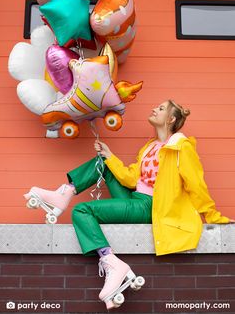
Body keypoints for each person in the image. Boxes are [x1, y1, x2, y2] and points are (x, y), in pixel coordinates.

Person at [24, 99, 234, 309]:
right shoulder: (149, 147)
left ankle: (111, 262)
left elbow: (196, 184)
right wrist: (109, 155)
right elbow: (131, 180)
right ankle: (65, 193)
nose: (154, 108)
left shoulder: (181, 147)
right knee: (102, 162)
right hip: (135, 199)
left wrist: (212, 215)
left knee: (82, 210)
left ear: (170, 119)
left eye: (161, 108)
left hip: (150, 206)